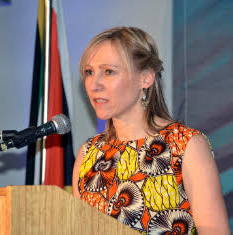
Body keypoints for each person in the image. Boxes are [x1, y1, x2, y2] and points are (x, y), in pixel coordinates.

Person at [72, 26, 230, 235]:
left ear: (146, 78)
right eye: (89, 72)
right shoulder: (88, 154)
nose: (94, 84)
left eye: (109, 71)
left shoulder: (185, 145)